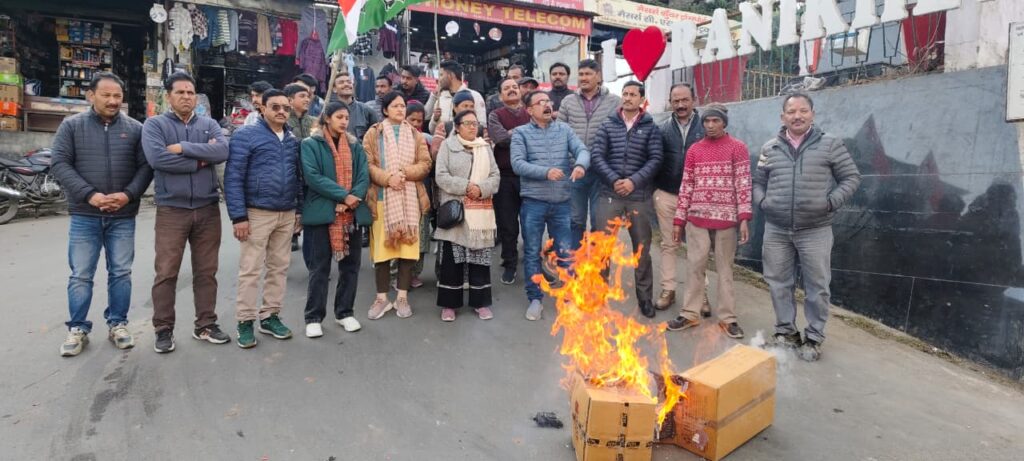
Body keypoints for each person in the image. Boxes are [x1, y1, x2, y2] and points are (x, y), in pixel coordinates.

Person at [51, 72, 153, 357]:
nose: (112, 101)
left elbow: (146, 167)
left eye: (117, 96)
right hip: (85, 213)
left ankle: (118, 323)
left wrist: (128, 195)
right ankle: (78, 328)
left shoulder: (135, 129)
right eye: (106, 95)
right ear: (91, 96)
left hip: (123, 215)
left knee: (121, 272)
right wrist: (90, 195)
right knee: (81, 274)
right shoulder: (72, 126)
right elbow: (59, 164)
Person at [753, 93, 861, 361]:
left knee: (817, 285)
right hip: (776, 229)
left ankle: (813, 337)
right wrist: (763, 202)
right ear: (783, 117)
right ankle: (786, 333)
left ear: (812, 114)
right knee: (778, 282)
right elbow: (758, 181)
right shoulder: (770, 148)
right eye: (791, 112)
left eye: (803, 111)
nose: (797, 116)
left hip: (815, 229)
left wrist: (830, 202)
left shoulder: (830, 144)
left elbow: (851, 177)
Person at [142, 72, 230, 353]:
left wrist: (183, 148)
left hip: (207, 208)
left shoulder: (209, 124)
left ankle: (206, 324)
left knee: (207, 271)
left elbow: (223, 151)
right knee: (166, 272)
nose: (186, 97)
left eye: (190, 92)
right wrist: (201, 160)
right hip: (172, 209)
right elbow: (158, 159)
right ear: (168, 96)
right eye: (180, 92)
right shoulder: (155, 125)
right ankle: (163, 329)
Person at [224, 89, 303, 348]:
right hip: (256, 213)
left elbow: (298, 176)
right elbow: (233, 177)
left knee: (279, 268)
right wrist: (238, 216)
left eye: (285, 108)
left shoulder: (291, 139)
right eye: (275, 107)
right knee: (251, 270)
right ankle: (245, 321)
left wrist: (299, 210)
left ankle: (270, 316)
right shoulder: (246, 135)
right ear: (263, 109)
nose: (281, 112)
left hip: (286, 212)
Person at [666, 104, 751, 339]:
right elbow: (687, 185)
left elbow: (743, 183)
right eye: (707, 121)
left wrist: (744, 218)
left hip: (727, 219)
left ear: (724, 123)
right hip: (697, 219)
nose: (710, 125)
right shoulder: (695, 150)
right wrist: (679, 220)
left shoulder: (738, 148)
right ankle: (689, 313)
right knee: (695, 267)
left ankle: (728, 318)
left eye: (716, 121)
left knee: (725, 270)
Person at [511, 90, 589, 321]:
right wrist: (545, 172)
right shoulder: (521, 133)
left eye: (548, 101)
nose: (547, 105)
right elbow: (517, 164)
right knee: (532, 252)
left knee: (565, 252)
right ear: (529, 110)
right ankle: (535, 299)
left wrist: (581, 165)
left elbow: (582, 150)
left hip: (562, 203)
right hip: (533, 203)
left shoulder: (564, 130)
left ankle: (568, 298)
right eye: (540, 102)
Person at [590, 81, 663, 318]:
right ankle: (599, 294)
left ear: (642, 99)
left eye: (633, 94)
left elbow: (655, 159)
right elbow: (597, 156)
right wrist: (614, 180)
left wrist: (633, 181)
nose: (628, 97)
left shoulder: (650, 127)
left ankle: (645, 298)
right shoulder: (608, 124)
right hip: (609, 194)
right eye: (625, 93)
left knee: (641, 249)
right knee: (602, 247)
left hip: (638, 196)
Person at [300, 102, 371, 338]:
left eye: (346, 118)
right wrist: (344, 195)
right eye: (339, 117)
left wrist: (354, 197)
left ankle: (345, 312)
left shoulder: (355, 145)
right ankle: (313, 317)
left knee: (350, 267)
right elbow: (312, 176)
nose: (344, 121)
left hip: (351, 212)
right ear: (327, 118)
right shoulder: (311, 144)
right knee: (319, 267)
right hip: (323, 212)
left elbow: (363, 175)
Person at [362, 92, 432, 320]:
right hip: (382, 198)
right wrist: (387, 179)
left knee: (407, 251)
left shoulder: (415, 134)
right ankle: (381, 298)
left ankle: (402, 297)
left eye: (402, 106)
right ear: (385, 110)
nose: (400, 109)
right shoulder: (374, 133)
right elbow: (367, 164)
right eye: (395, 106)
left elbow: (425, 164)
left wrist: (403, 173)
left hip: (409, 200)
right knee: (382, 253)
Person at [433, 110, 501, 321]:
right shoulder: (447, 146)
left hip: (480, 212)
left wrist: (480, 189)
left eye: (475, 123)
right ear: (457, 126)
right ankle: (449, 305)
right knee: (451, 262)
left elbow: (495, 175)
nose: (473, 127)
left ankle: (480, 303)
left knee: (479, 260)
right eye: (468, 123)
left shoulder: (484, 147)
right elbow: (440, 176)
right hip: (456, 211)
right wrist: (466, 186)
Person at [654, 83, 706, 311]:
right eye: (676, 101)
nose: (680, 105)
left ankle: (701, 294)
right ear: (670, 102)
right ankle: (669, 289)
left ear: (694, 100)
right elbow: (654, 159)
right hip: (667, 194)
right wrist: (655, 191)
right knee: (669, 244)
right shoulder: (662, 129)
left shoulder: (706, 127)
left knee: (698, 247)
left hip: (697, 197)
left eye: (685, 100)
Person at [558, 59, 621, 249]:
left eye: (588, 74)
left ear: (598, 76)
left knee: (599, 220)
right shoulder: (568, 101)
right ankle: (575, 262)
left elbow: (619, 134)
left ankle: (596, 263)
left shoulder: (614, 101)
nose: (583, 78)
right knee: (575, 219)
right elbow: (560, 133)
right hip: (574, 170)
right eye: (581, 74)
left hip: (602, 172)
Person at [487, 77, 530, 285]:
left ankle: (534, 263)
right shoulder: (495, 115)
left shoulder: (530, 112)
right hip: (504, 177)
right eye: (507, 88)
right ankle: (510, 264)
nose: (512, 90)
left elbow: (537, 137)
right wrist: (525, 133)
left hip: (530, 177)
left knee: (531, 224)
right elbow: (501, 139)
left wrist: (512, 133)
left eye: (515, 87)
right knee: (508, 224)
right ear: (500, 95)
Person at [405, 101, 433, 288]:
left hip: (422, 191)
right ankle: (398, 274)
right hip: (400, 192)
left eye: (419, 120)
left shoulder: (426, 139)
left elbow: (428, 166)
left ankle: (415, 273)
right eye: (412, 119)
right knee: (402, 235)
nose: (415, 124)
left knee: (421, 236)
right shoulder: (392, 139)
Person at [425, 60, 486, 134]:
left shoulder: (475, 96)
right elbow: (431, 130)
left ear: (450, 76)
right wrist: (435, 119)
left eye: (441, 75)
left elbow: (482, 125)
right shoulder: (440, 99)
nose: (439, 79)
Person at [430, 90, 483, 157]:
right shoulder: (444, 127)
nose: (468, 109)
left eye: (471, 106)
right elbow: (435, 152)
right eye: (465, 106)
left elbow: (487, 152)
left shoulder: (480, 128)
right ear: (455, 108)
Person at [331, 71, 380, 140]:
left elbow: (377, 138)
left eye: (349, 82)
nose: (346, 84)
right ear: (334, 89)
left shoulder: (367, 111)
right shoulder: (328, 112)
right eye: (341, 82)